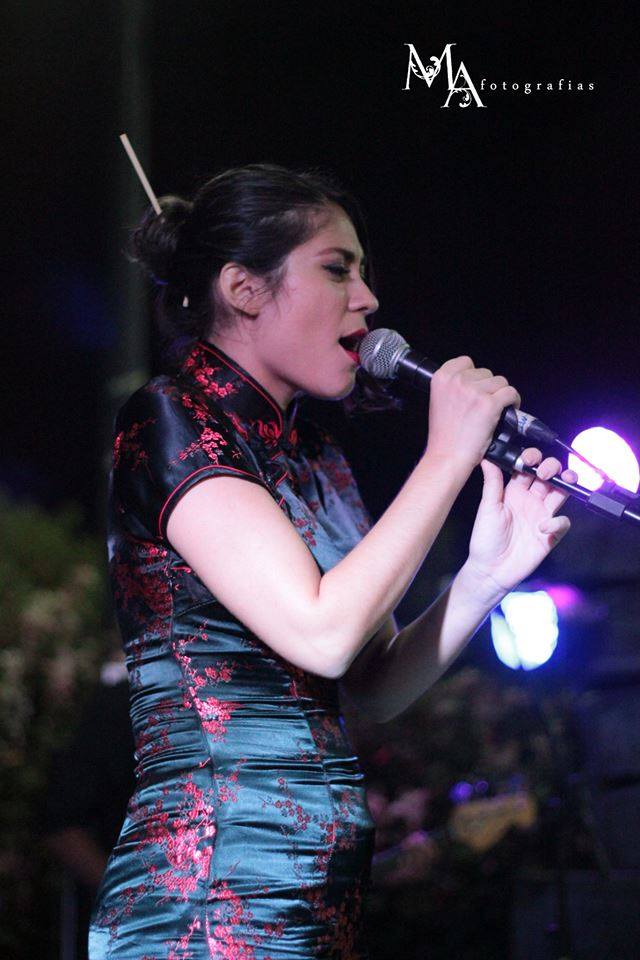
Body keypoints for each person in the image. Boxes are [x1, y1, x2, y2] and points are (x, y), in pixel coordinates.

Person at [89, 163, 575, 959]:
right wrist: (447, 455)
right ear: (244, 289)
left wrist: (485, 575)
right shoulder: (171, 418)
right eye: (337, 269)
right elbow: (322, 634)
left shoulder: (316, 458)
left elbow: (373, 683)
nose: (368, 298)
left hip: (314, 903)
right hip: (207, 901)